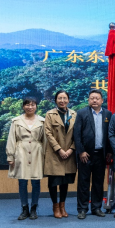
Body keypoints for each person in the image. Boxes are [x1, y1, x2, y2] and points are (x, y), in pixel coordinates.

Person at [73, 89, 113, 220]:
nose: (94, 100)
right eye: (92, 98)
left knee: (98, 182)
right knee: (83, 183)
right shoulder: (82, 113)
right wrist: (81, 151)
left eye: (97, 98)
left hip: (100, 155)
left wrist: (109, 152)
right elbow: (77, 135)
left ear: (102, 100)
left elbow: (110, 135)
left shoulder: (108, 114)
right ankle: (82, 209)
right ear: (88, 100)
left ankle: (96, 207)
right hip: (86, 155)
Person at [6, 97, 45, 221]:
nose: (30, 107)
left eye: (33, 105)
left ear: (36, 106)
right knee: (22, 182)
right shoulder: (16, 121)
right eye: (27, 105)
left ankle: (34, 208)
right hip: (21, 152)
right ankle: (24, 208)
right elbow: (11, 139)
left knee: (36, 182)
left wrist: (45, 156)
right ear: (23, 106)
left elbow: (45, 140)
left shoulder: (42, 121)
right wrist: (10, 156)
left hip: (37, 152)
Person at [44, 90, 78, 219]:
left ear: (68, 100)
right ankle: (55, 206)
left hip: (69, 154)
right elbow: (48, 133)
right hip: (55, 154)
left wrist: (71, 149)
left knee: (65, 182)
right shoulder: (50, 114)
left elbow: (78, 134)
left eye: (64, 98)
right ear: (55, 100)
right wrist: (59, 149)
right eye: (59, 98)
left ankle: (63, 206)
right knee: (53, 182)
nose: (62, 100)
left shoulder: (74, 114)